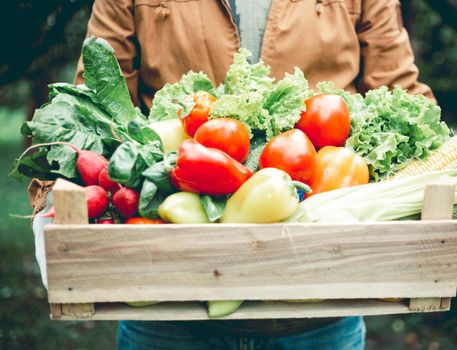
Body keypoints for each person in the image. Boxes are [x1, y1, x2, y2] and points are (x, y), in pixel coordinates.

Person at [30, 0, 435, 349]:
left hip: (318, 303)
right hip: (169, 305)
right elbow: (96, 98)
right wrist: (58, 202)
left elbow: (401, 94)